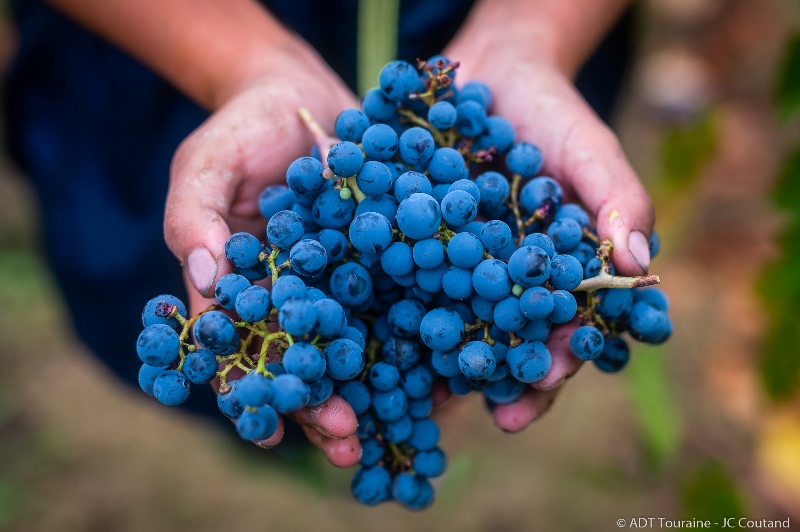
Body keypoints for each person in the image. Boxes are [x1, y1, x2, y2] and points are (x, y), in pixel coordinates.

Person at [4, 0, 652, 467]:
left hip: (481, 39)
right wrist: (245, 64)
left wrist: (530, 30)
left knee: (331, 363)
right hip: (163, 47)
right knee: (192, 279)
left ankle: (274, 443)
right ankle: (262, 444)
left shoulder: (462, 175)